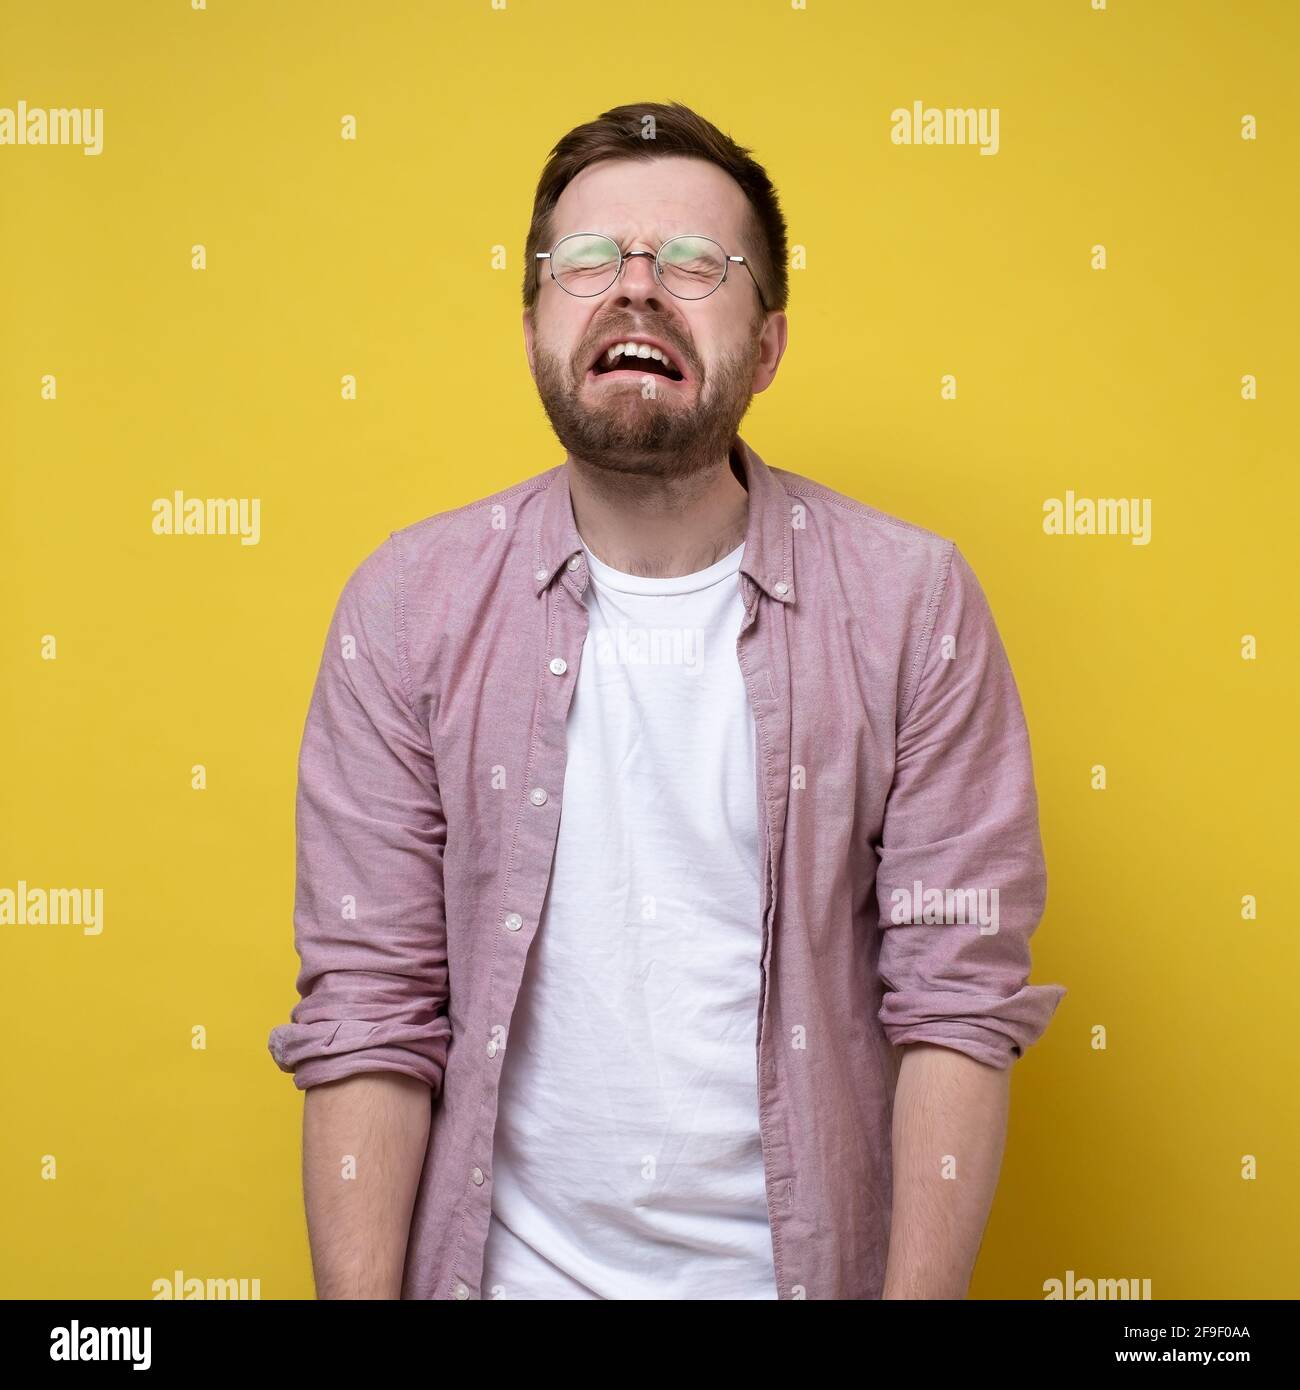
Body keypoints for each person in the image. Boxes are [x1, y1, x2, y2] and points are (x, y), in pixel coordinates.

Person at [268, 100, 1066, 1301]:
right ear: (535, 319)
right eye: (588, 260)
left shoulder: (912, 602)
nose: (635, 287)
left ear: (768, 344)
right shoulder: (407, 605)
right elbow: (369, 1009)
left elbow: (955, 1000)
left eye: (694, 262)